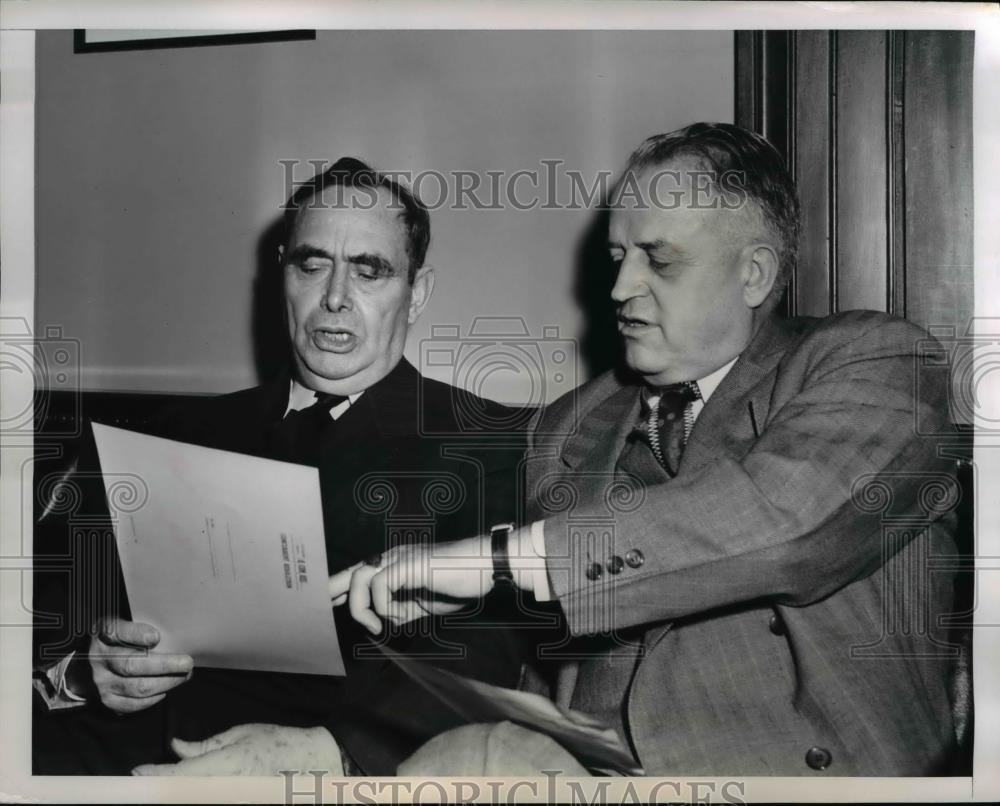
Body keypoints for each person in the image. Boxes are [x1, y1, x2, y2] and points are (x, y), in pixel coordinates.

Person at [333, 123, 964, 776]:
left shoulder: (879, 362)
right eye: (617, 258)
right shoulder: (571, 424)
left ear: (754, 274)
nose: (619, 288)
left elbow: (786, 524)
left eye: (658, 260)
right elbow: (542, 662)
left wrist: (494, 562)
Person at [32, 158, 527, 776]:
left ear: (417, 293)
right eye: (312, 264)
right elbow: (48, 626)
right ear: (281, 277)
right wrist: (81, 673)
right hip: (104, 766)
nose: (336, 298)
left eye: (369, 271)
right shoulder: (169, 434)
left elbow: (482, 661)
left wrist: (337, 754)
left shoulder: (490, 444)